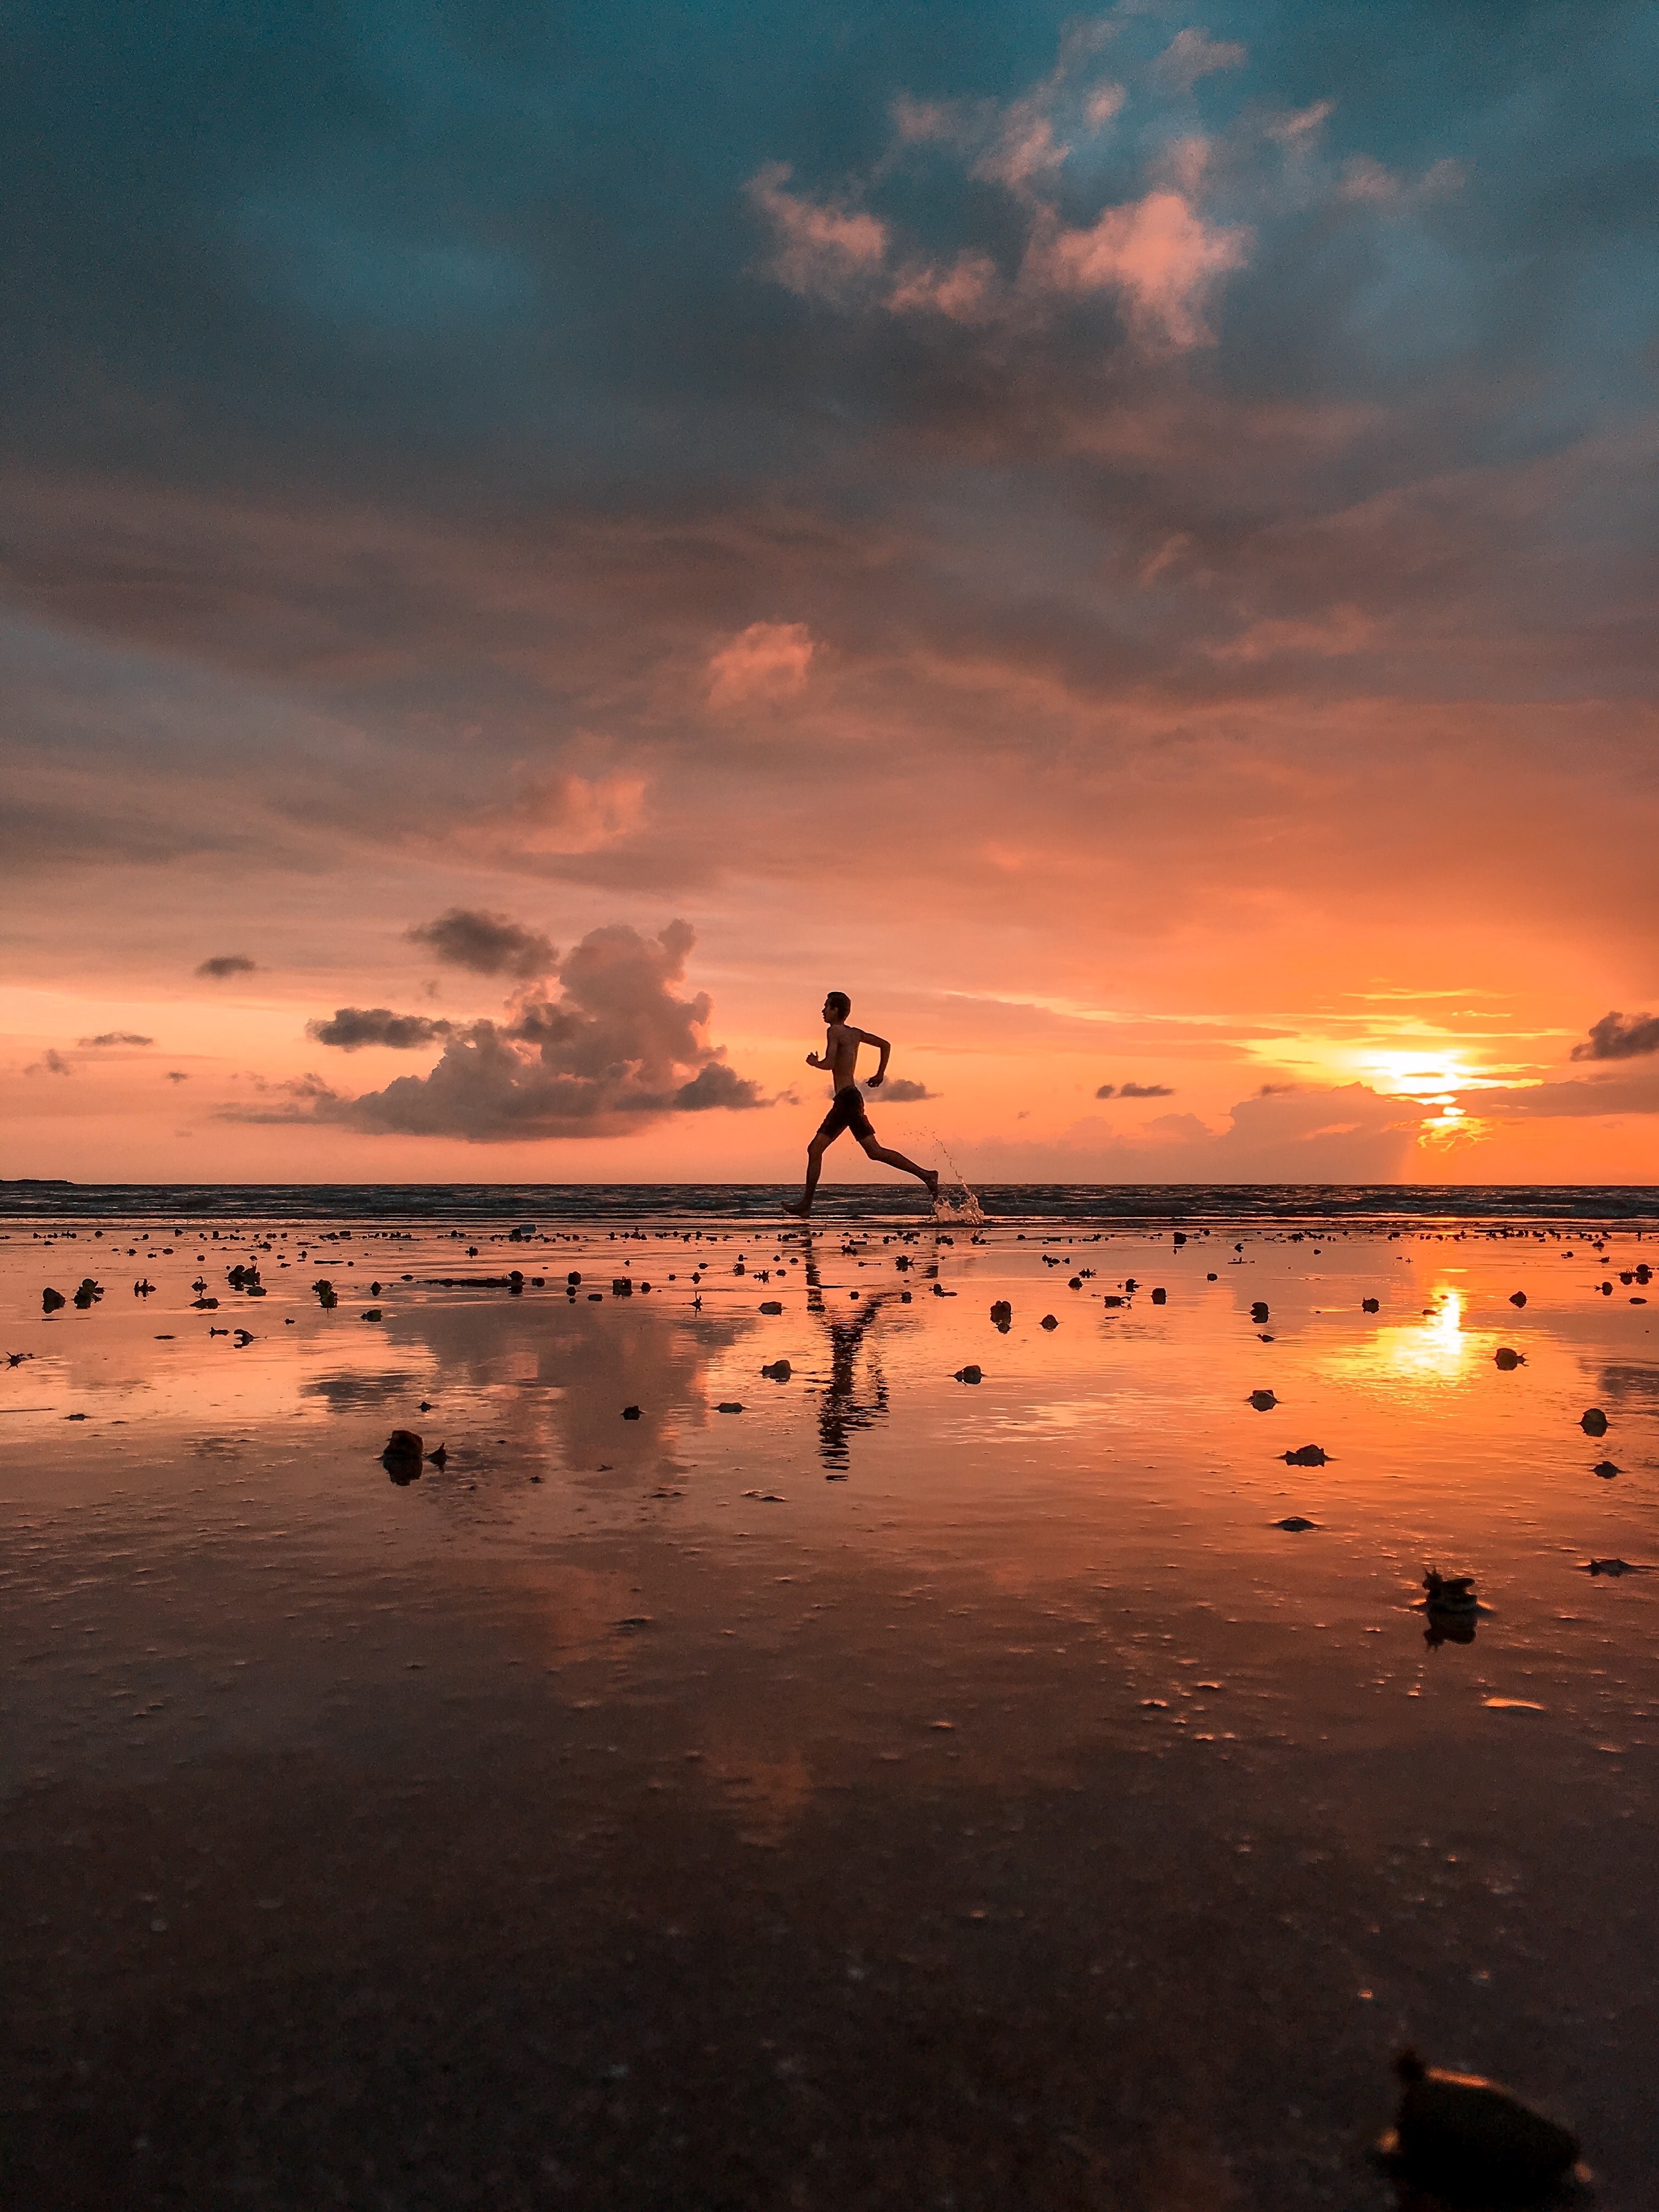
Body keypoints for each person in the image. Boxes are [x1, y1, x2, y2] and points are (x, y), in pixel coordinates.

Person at [783, 992, 939, 1218]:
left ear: (836, 1010)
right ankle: (926, 1175)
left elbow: (829, 1063)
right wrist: (880, 1074)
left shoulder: (834, 1031)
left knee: (816, 1149)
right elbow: (885, 1045)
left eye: (827, 1006)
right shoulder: (855, 1034)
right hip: (850, 1098)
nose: (823, 1011)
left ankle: (806, 1205)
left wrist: (814, 1063)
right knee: (873, 1151)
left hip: (847, 1099)